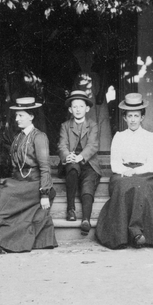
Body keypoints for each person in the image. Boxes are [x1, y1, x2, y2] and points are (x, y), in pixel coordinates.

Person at [0, 97, 58, 256]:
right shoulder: (18, 137)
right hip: (19, 181)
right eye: (16, 115)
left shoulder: (39, 137)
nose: (17, 119)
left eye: (21, 115)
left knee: (1, 199)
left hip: (35, 184)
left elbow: (45, 167)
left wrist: (44, 194)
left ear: (31, 116)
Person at [95, 93, 153, 249]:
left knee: (141, 187)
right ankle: (133, 233)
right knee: (123, 186)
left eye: (136, 116)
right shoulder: (119, 137)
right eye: (130, 116)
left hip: (146, 174)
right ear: (124, 118)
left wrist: (134, 172)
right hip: (123, 173)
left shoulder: (150, 137)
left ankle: (135, 231)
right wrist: (125, 170)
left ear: (142, 117)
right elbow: (115, 164)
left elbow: (152, 165)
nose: (133, 119)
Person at [57, 89, 101, 235]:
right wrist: (67, 155)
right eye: (74, 106)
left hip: (88, 163)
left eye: (81, 106)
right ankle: (70, 209)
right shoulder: (65, 125)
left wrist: (81, 156)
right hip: (72, 161)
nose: (78, 109)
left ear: (87, 109)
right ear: (70, 109)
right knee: (72, 167)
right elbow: (62, 144)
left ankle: (86, 219)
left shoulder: (93, 125)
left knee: (88, 183)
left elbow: (93, 145)